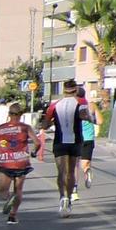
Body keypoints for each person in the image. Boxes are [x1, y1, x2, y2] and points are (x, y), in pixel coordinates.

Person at [40, 80, 92, 215]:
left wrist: (52, 121)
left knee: (61, 171)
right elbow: (85, 116)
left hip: (59, 142)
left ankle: (62, 197)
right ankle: (68, 198)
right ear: (75, 90)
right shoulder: (81, 102)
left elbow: (44, 125)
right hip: (75, 141)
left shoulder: (54, 105)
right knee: (70, 171)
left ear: (63, 90)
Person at [0, 101, 41, 223]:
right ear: (21, 114)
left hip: (6, 162)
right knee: (18, 190)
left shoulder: (0, 128)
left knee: (2, 192)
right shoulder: (25, 128)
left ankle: (9, 198)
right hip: (21, 162)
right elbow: (37, 143)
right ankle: (13, 215)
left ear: (9, 114)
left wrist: (1, 149)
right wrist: (34, 152)